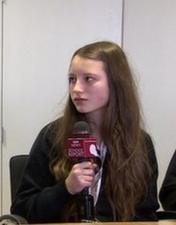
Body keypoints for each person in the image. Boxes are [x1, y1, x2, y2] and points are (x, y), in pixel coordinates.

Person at [11, 41, 159, 222]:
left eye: (88, 79)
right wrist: (66, 188)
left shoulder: (140, 143)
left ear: (116, 84)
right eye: (72, 79)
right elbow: (22, 209)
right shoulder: (52, 136)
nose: (76, 89)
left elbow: (146, 215)